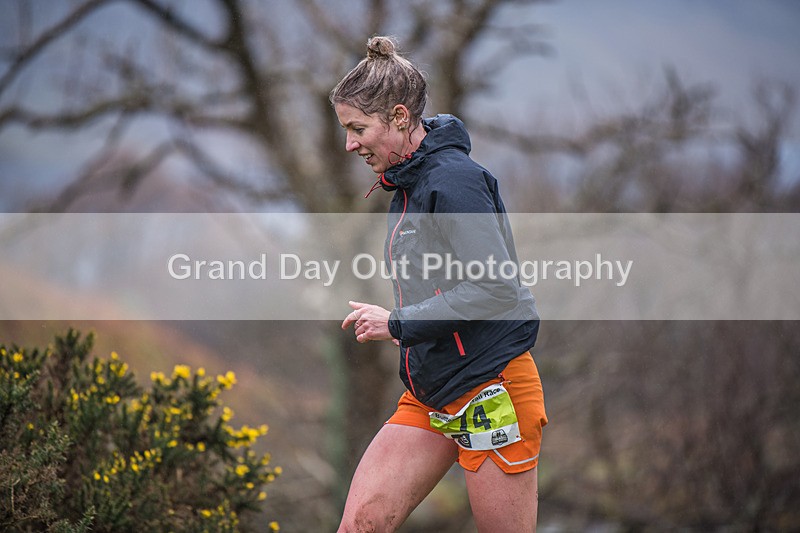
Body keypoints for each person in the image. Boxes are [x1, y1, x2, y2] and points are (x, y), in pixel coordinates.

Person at [332, 35, 547, 533]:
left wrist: (397, 323)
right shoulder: (408, 182)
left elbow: (495, 288)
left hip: (490, 387)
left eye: (358, 128)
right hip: (430, 392)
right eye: (346, 130)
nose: (350, 144)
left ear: (399, 117)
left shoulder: (454, 181)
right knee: (361, 525)